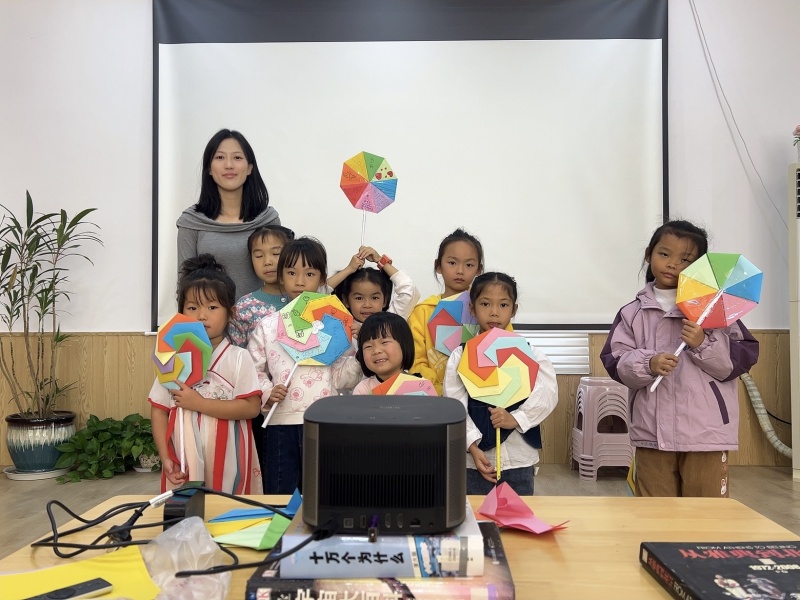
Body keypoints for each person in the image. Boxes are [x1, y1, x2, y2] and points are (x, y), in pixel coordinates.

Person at [600, 220, 759, 498]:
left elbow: (736, 363)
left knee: (706, 512)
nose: (673, 264)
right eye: (664, 254)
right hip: (652, 432)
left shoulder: (716, 312)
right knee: (655, 512)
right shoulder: (632, 313)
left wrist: (703, 343)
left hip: (706, 434)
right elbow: (616, 361)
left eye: (685, 260)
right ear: (648, 255)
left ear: (699, 267)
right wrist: (648, 364)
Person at [247, 236, 363, 494]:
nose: (299, 281)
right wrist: (267, 392)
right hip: (280, 423)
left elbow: (343, 377)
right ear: (281, 277)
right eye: (291, 273)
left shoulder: (334, 326)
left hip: (324, 422)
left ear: (321, 279)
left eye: (309, 274)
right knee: (281, 494)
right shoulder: (268, 325)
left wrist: (359, 351)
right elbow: (253, 369)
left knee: (323, 493)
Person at [149, 254, 262, 494]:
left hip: (229, 459)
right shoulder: (171, 356)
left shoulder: (238, 358)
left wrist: (199, 403)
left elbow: (251, 408)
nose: (201, 315)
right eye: (192, 308)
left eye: (212, 307)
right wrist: (165, 456)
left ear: (230, 312)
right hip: (183, 459)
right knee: (185, 510)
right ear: (181, 313)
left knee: (227, 508)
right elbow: (159, 409)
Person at [442, 272, 558, 496]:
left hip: (519, 460)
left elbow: (547, 394)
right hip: (475, 460)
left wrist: (517, 418)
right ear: (473, 308)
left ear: (514, 310)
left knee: (518, 515)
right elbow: (454, 405)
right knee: (475, 515)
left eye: (503, 305)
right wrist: (472, 446)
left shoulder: (531, 353)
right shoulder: (461, 355)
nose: (494, 312)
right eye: (485, 304)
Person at [176, 129, 281, 299]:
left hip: (264, 315)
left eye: (237, 158)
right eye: (220, 157)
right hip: (209, 316)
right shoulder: (191, 221)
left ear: (249, 168)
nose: (229, 165)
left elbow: (282, 279)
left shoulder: (268, 220)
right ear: (209, 168)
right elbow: (184, 285)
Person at [408, 228, 484, 394]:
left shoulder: (485, 309)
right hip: (436, 398)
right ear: (438, 266)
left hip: (479, 397)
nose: (460, 271)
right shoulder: (422, 312)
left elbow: (502, 347)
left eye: (469, 265)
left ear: (479, 269)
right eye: (452, 263)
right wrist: (440, 391)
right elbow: (416, 361)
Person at [333, 246, 420, 341]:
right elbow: (322, 293)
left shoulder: (390, 323)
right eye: (359, 298)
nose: (367, 305)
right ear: (346, 301)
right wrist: (349, 269)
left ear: (385, 300)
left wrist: (380, 260)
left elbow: (409, 289)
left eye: (374, 298)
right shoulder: (337, 324)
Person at [229, 224, 296, 348]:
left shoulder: (304, 298)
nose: (267, 262)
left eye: (276, 253)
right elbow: (236, 352)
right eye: (259, 256)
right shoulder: (245, 306)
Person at [352, 312, 419, 395]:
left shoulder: (420, 385)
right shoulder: (363, 390)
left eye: (384, 342)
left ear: (404, 345)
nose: (376, 351)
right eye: (368, 346)